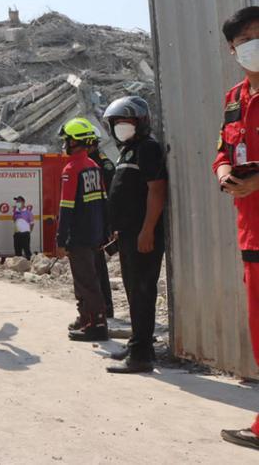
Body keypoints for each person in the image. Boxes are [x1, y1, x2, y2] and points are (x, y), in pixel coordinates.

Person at [215, 7, 259, 451]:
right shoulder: (234, 98)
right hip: (252, 232)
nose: (251, 45)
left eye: (257, 35)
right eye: (242, 40)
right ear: (233, 50)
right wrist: (224, 172)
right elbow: (222, 149)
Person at [101, 96, 167, 373]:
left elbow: (157, 190)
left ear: (139, 122)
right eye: (116, 123)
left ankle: (141, 356)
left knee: (142, 291)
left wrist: (147, 229)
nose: (120, 127)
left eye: (125, 122)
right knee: (132, 290)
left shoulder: (148, 148)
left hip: (143, 233)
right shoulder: (128, 150)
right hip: (128, 233)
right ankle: (138, 343)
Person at [55, 117, 110, 342]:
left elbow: (66, 207)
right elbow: (103, 202)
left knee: (85, 280)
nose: (65, 144)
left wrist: (60, 239)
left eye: (67, 140)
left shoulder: (71, 169)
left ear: (76, 142)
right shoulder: (94, 167)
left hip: (78, 236)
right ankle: (85, 316)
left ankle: (96, 324)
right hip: (94, 234)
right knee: (88, 278)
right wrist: (105, 231)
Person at [89, 137, 118, 319]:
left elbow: (110, 197)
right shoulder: (91, 164)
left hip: (102, 222)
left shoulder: (104, 165)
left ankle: (106, 307)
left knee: (98, 267)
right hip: (94, 221)